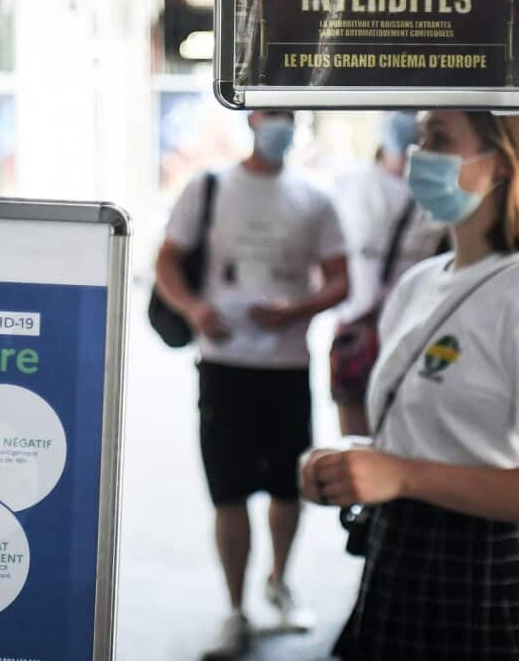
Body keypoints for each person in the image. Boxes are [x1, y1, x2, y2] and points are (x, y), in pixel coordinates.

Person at [300, 110, 519, 660]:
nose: (419, 156)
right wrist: (349, 465)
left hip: (486, 568)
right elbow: (425, 440)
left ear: (502, 165)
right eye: (420, 138)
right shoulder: (419, 283)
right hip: (402, 552)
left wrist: (403, 476)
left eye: (439, 139)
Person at [155, 109, 350, 659]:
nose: (280, 126)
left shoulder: (315, 196)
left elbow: (340, 279)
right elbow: (167, 260)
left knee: (291, 487)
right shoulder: (210, 186)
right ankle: (235, 610)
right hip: (224, 365)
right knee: (230, 489)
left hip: (286, 367)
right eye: (271, 116)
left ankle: (280, 582)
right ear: (252, 119)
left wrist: (298, 309)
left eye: (289, 116)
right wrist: (195, 309)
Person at [330, 111, 449, 437]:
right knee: (356, 436)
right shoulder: (350, 185)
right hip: (358, 328)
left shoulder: (439, 193)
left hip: (414, 331)